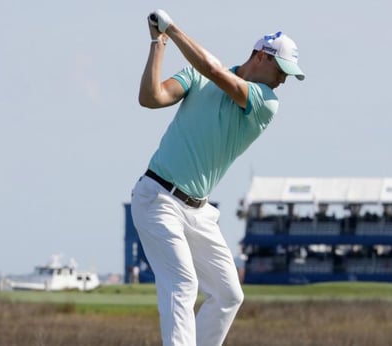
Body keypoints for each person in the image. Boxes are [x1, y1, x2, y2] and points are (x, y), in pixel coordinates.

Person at [130, 9, 305, 346]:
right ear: (259, 56)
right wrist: (158, 42)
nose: (283, 80)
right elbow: (150, 98)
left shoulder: (266, 102)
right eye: (281, 70)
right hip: (158, 198)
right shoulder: (196, 78)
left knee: (228, 294)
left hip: (200, 213)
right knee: (183, 284)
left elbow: (212, 69)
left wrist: (173, 29)